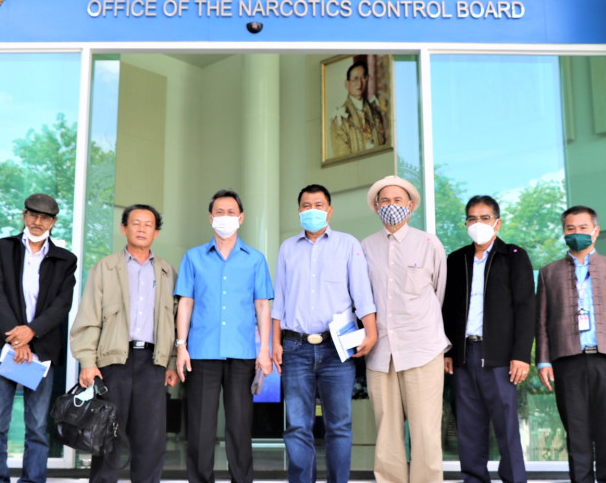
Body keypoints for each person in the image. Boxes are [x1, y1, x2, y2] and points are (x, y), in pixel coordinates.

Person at [272, 183, 377, 483]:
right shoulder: (287, 248)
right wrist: (275, 342)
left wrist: (371, 332)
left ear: (329, 211)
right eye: (306, 205)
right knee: (297, 426)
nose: (312, 210)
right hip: (295, 347)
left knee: (339, 426)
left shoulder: (348, 244)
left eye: (318, 205)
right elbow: (280, 299)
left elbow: (362, 294)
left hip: (337, 348)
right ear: (299, 211)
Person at [70, 204, 178, 483]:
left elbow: (176, 322)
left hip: (153, 363)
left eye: (148, 225)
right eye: (136, 223)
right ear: (123, 228)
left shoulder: (167, 272)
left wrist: (172, 362)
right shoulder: (105, 268)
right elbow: (89, 317)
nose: (142, 229)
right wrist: (87, 362)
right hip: (113, 362)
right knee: (107, 434)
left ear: (156, 233)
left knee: (150, 439)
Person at [536, 205, 606, 483]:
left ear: (596, 231)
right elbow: (542, 321)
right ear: (564, 233)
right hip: (567, 361)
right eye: (570, 228)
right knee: (577, 435)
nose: (577, 233)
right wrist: (544, 360)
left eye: (583, 228)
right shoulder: (549, 273)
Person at [175, 189, 273, 483]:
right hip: (201, 352)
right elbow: (186, 303)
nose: (225, 217)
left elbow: (262, 306)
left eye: (231, 212)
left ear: (241, 218)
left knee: (240, 427)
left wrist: (264, 350)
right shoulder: (193, 257)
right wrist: (181, 346)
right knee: (200, 428)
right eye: (219, 212)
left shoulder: (255, 259)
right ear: (210, 218)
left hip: (242, 353)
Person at [0, 193, 77, 483]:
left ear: (54, 222)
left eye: (45, 217)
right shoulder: (3, 248)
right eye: (33, 215)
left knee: (36, 425)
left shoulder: (65, 260)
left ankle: (33, 480)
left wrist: (31, 332)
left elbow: (61, 305)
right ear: (24, 215)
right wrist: (18, 339)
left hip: (42, 351)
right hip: (4, 346)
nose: (38, 221)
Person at [360, 175, 448, 483]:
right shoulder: (365, 247)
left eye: (398, 200)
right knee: (386, 432)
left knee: (425, 431)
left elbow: (440, 293)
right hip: (381, 352)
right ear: (376, 207)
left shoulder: (429, 243)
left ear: (410, 206)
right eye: (385, 201)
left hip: (422, 348)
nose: (391, 205)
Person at [442, 195, 535, 483]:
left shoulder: (514, 256)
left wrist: (521, 354)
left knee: (506, 426)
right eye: (472, 218)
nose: (478, 223)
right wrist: (448, 351)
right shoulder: (456, 259)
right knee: (469, 426)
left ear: (497, 222)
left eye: (484, 218)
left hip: (500, 356)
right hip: (464, 354)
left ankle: (514, 479)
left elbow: (526, 307)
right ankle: (474, 478)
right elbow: (447, 309)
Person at [329, 60, 387, 159]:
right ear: (347, 84)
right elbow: (342, 156)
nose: (359, 83)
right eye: (355, 79)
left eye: (363, 78)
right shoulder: (339, 118)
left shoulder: (375, 112)